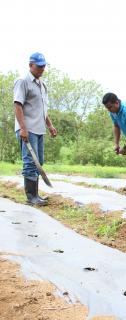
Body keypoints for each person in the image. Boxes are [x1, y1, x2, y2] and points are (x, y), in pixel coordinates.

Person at [14, 52, 57, 206]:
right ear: (30, 65)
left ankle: (36, 195)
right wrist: (23, 128)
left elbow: (42, 109)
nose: (42, 69)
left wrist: (50, 125)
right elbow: (18, 105)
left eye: (44, 66)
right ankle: (31, 197)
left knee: (39, 162)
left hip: (39, 129)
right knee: (30, 163)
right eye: (39, 66)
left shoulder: (41, 84)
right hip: (28, 129)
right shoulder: (23, 81)